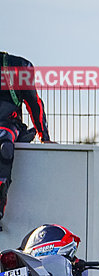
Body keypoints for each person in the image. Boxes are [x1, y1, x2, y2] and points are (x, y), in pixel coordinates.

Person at [0, 51, 53, 220]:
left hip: (7, 125)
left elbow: (33, 102)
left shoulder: (18, 66)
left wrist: (43, 136)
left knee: (4, 146)